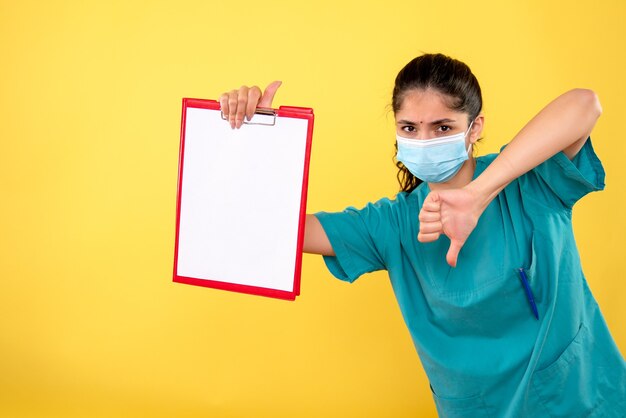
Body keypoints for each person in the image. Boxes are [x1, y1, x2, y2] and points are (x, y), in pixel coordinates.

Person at [219, 53, 626, 417]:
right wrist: (256, 139)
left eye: (443, 126)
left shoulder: (528, 182)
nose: (424, 141)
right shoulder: (393, 225)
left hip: (581, 401)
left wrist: (478, 195)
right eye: (409, 128)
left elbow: (585, 104)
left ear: (474, 127)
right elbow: (268, 227)